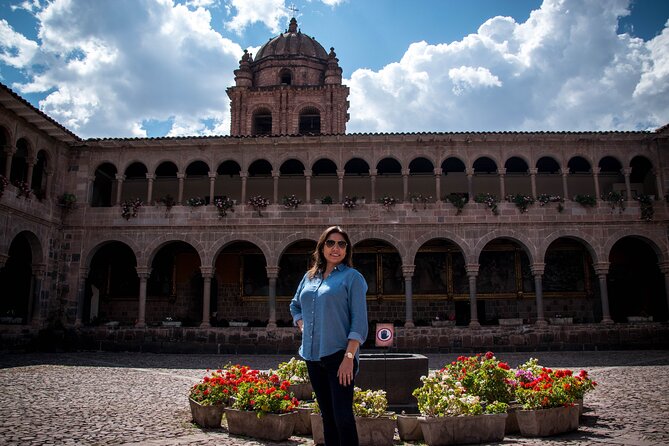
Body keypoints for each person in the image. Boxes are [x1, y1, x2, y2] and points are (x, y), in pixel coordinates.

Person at [290, 225, 368, 446]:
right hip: (312, 356)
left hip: (339, 356)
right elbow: (295, 306)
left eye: (341, 244)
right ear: (322, 246)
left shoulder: (352, 277)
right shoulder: (309, 277)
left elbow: (359, 322)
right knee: (327, 416)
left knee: (343, 416)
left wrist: (349, 358)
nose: (336, 248)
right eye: (331, 243)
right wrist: (303, 325)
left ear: (347, 250)